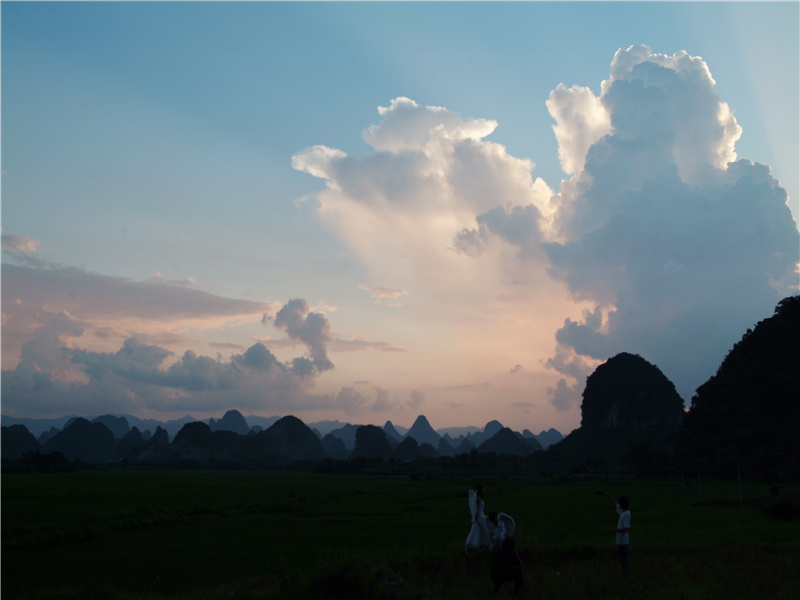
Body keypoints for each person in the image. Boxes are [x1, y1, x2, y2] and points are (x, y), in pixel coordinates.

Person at [598, 490, 631, 578]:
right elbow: (615, 503)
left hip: (623, 541)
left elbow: (627, 528)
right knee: (622, 558)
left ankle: (625, 574)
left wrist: (615, 529)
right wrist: (607, 494)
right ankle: (624, 574)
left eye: (621, 503)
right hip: (620, 541)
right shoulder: (623, 512)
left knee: (624, 558)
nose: (619, 504)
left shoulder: (626, 514)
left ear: (623, 504)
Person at [465, 485, 490, 552]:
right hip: (480, 517)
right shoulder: (479, 498)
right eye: (483, 489)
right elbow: (478, 509)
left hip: (481, 517)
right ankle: (467, 547)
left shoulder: (479, 498)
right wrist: (478, 519)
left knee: (482, 532)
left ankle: (482, 547)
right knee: (475, 532)